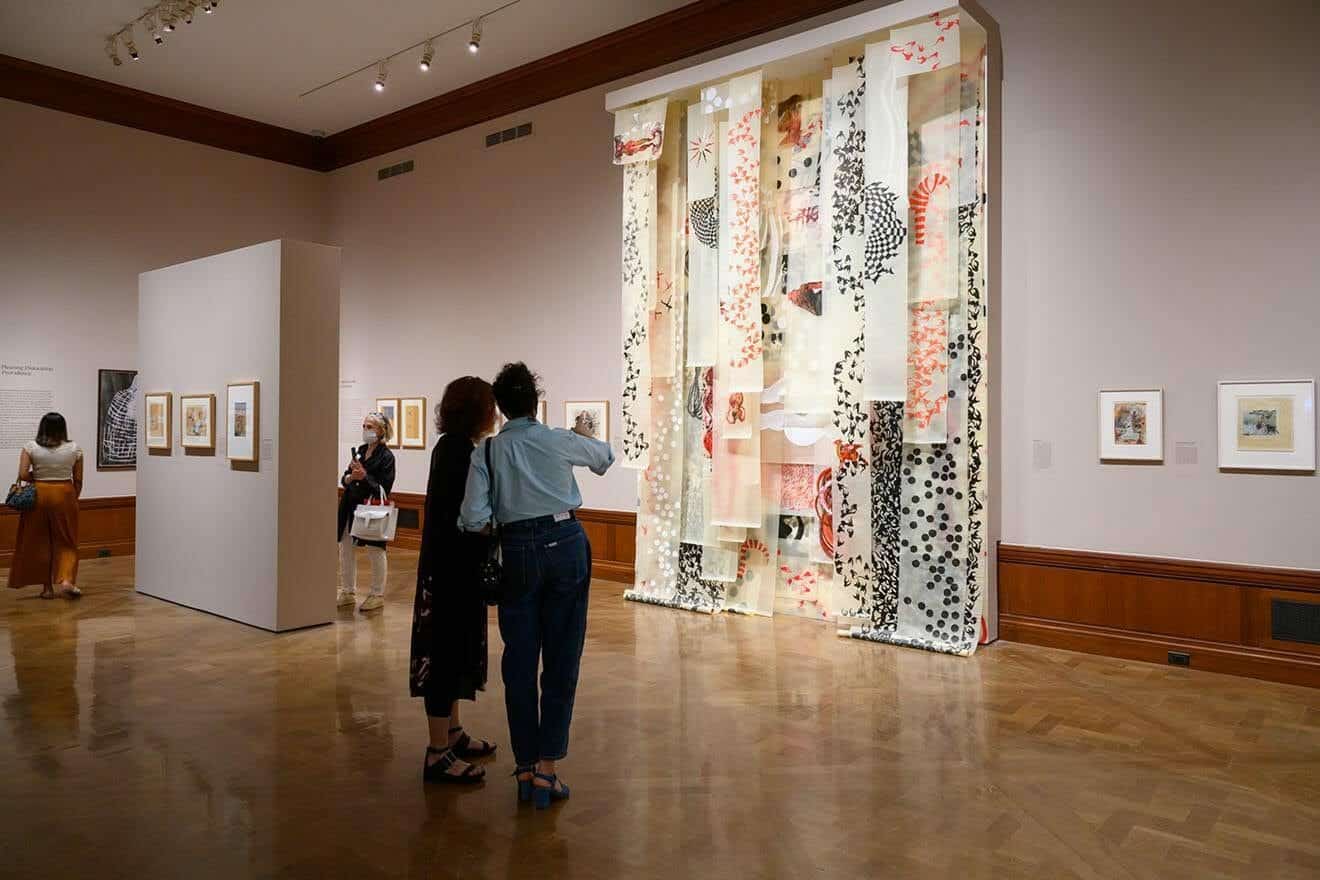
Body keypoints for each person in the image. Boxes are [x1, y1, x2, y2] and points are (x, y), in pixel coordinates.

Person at [460, 363, 615, 809]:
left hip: (516, 552)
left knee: (520, 663)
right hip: (565, 542)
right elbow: (604, 458)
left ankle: (525, 767)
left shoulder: (486, 452)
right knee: (564, 657)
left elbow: (472, 518)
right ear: (534, 401)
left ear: (502, 408)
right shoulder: (555, 438)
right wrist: (579, 433)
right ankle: (548, 771)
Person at [410, 377, 501, 784]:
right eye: (490, 406)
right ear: (477, 411)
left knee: (455, 650)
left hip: (450, 570)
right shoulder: (458, 453)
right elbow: (464, 517)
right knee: (445, 655)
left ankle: (453, 733)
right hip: (450, 574)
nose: (495, 414)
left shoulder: (455, 449)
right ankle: (437, 752)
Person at [8, 412, 83, 599]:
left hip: (39, 495)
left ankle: (47, 588)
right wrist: (73, 497)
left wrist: (40, 479)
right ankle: (66, 580)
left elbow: (23, 474)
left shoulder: (30, 447)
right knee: (67, 540)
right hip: (65, 494)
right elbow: (78, 479)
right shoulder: (74, 448)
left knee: (40, 542)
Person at [337, 412, 396, 613]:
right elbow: (345, 477)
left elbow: (384, 487)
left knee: (375, 550)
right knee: (345, 549)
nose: (366, 430)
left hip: (371, 509)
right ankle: (347, 591)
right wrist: (350, 477)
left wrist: (364, 477)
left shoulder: (387, 456)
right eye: (364, 426)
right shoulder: (360, 451)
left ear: (381, 431)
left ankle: (376, 594)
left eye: (370, 427)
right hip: (349, 506)